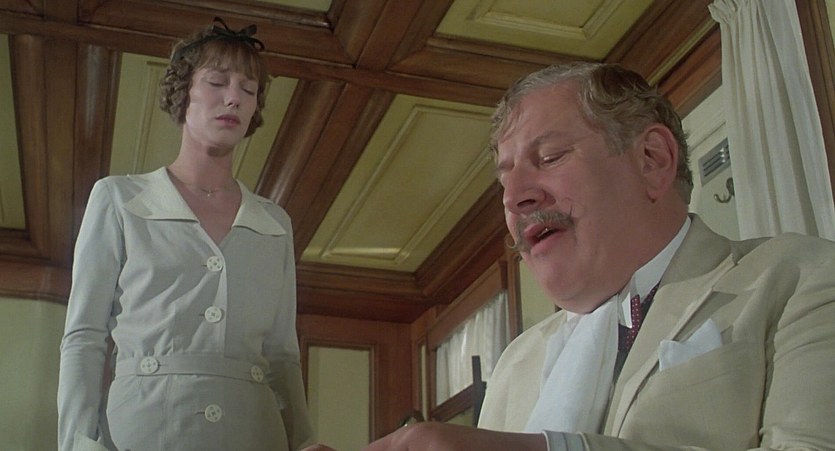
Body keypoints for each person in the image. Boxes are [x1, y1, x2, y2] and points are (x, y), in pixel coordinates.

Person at [364, 62, 835, 450]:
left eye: (549, 157)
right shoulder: (514, 364)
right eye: (504, 179)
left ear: (652, 159)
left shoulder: (802, 277)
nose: (514, 197)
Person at [58, 17, 318, 451]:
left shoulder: (274, 223)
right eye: (217, 82)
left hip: (256, 434)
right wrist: (76, 444)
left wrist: (305, 442)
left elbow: (282, 356)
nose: (233, 98)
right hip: (144, 429)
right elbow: (85, 335)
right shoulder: (120, 200)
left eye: (248, 90)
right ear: (183, 92)